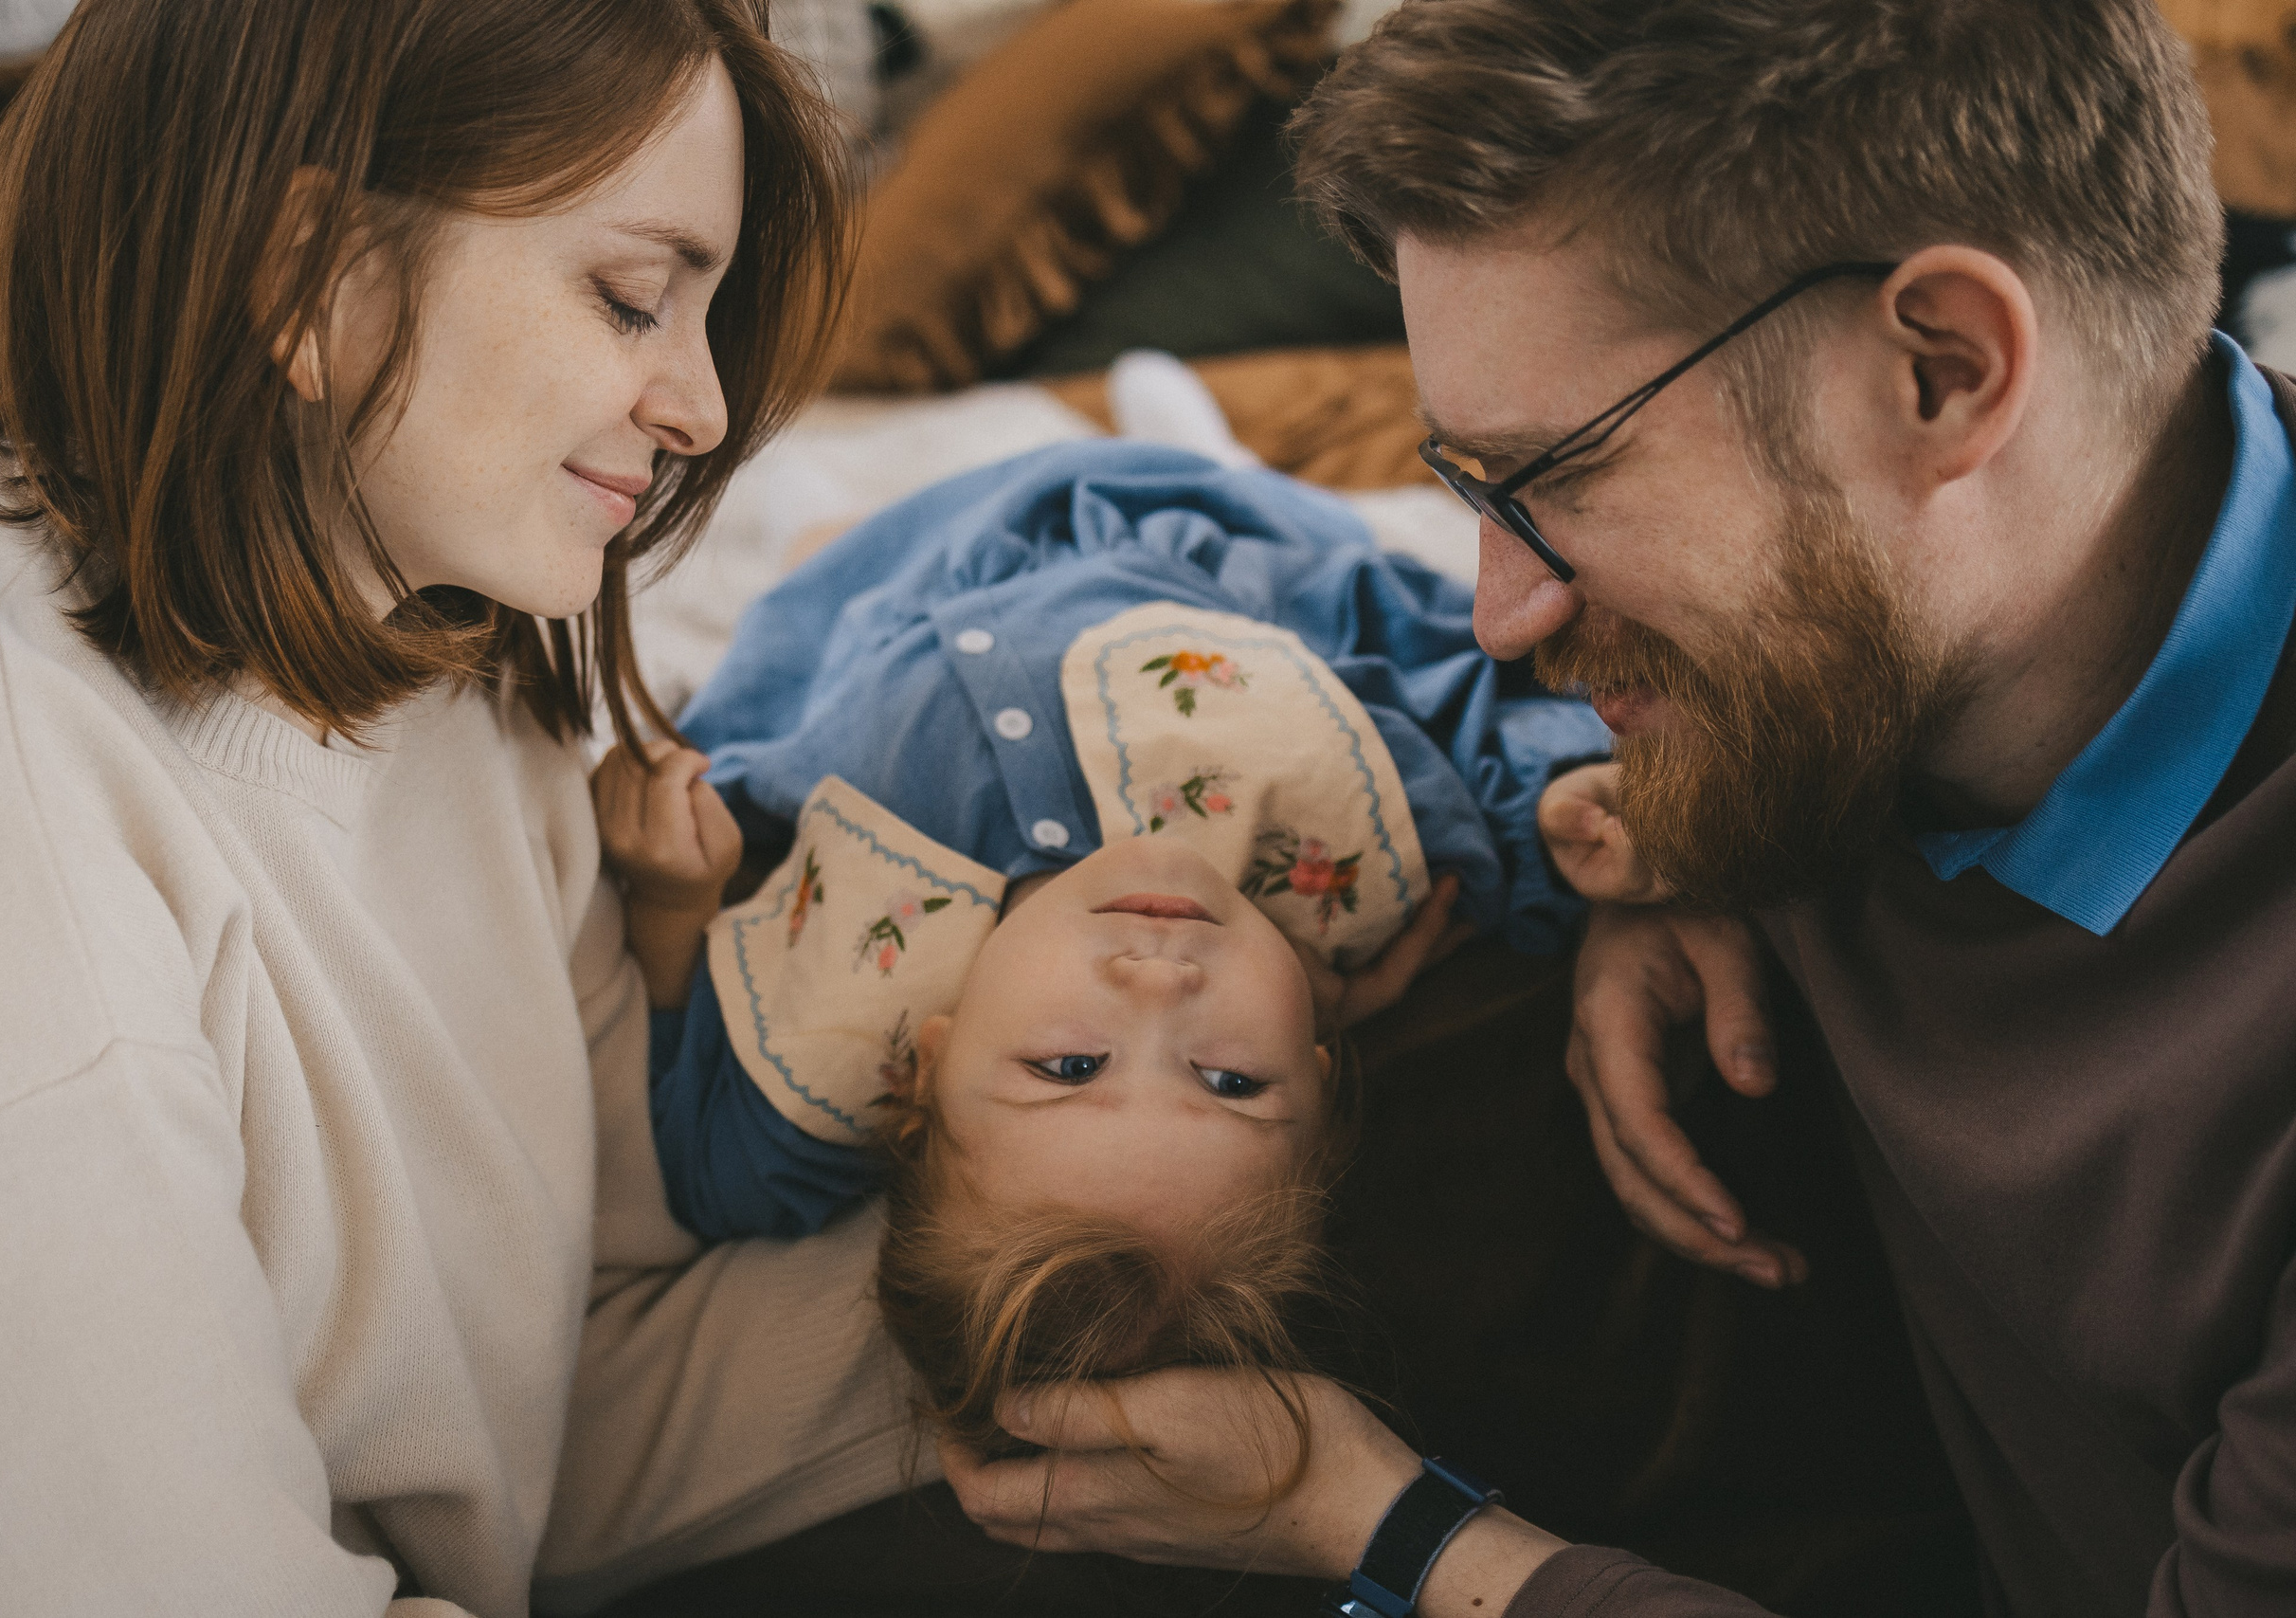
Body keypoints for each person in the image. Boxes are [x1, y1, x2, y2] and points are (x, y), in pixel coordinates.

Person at [932, 2, 2296, 1615]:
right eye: (1470, 493)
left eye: (1558, 478)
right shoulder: (1891, 649)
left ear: (1945, 371)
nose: (1501, 608)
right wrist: (1680, 840)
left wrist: (1377, 1524)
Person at [0, 2, 923, 1612]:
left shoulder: (452, 690)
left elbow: (554, 1395)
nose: (703, 410)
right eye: (633, 296)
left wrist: (1047, 1282)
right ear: (312, 275)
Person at [584, 439, 1631, 1455]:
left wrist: (672, 903)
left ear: (926, 1076)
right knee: (1344, 577)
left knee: (811, 558)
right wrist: (1565, 800)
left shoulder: (830, 1059)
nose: (1164, 985)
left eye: (1071, 1067)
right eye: (1229, 1077)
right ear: (1320, 1073)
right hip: (1160, 529)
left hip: (870, 602)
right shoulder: (1353, 857)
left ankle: (818, 514)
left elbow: (700, 1153)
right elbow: (1477, 729)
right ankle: (1180, 428)